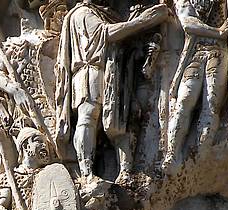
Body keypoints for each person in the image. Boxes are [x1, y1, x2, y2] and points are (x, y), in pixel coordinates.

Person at [55, 0, 168, 179]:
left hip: (114, 72)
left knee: (122, 117)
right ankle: (86, 172)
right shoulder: (82, 12)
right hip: (89, 71)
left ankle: (125, 171)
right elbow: (106, 33)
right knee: (88, 116)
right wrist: (144, 20)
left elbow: (120, 43)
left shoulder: (106, 14)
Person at [164, 0, 228, 171]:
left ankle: (202, 153)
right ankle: (172, 154)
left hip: (218, 53)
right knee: (184, 100)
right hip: (195, 54)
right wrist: (219, 32)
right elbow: (188, 23)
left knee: (211, 103)